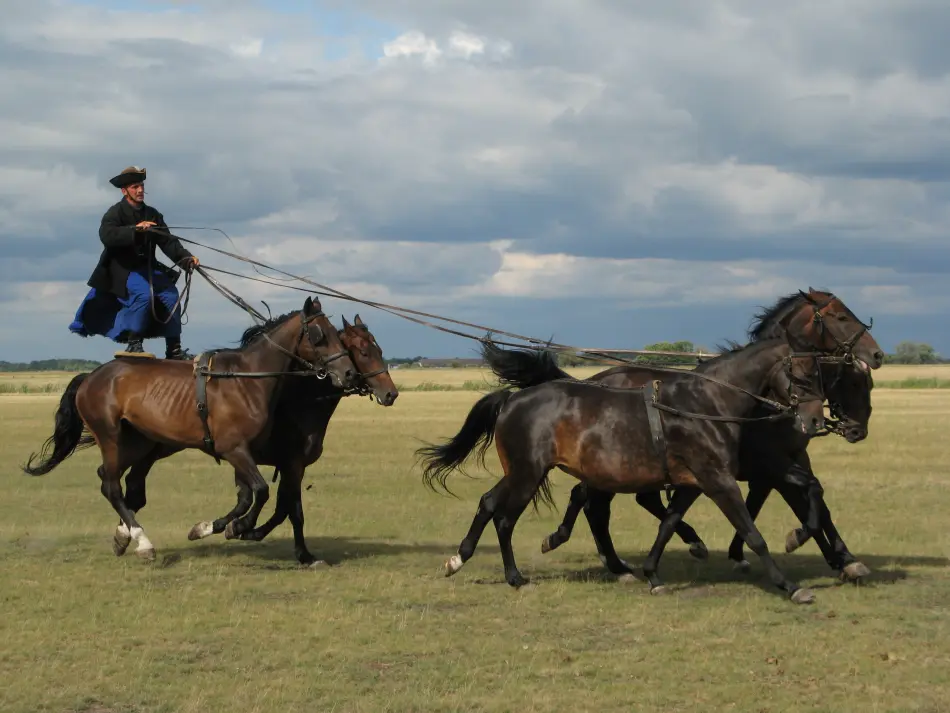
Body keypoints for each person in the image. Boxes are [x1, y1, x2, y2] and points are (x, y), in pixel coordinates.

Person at [69, 166, 199, 359]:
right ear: (124, 191)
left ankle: (174, 350)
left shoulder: (153, 214)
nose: (140, 190)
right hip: (123, 271)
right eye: (135, 186)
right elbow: (107, 236)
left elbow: (168, 242)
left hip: (148, 269)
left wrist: (186, 259)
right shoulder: (114, 213)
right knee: (144, 295)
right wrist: (135, 230)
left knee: (171, 296)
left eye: (141, 186)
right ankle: (134, 343)